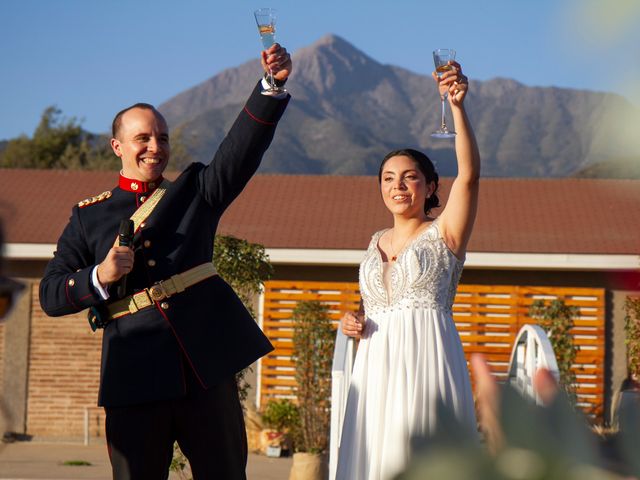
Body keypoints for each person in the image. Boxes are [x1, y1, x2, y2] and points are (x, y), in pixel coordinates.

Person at [39, 44, 292, 479]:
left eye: (162, 137)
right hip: (133, 376)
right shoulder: (89, 215)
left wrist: (269, 88)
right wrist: (99, 276)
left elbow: (240, 150)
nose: (155, 147)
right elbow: (50, 294)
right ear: (117, 146)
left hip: (205, 369)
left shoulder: (195, 192)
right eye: (143, 138)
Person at [336, 60, 480, 480]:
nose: (398, 186)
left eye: (410, 177)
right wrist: (353, 323)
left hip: (427, 363)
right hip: (375, 369)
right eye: (388, 178)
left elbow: (469, 176)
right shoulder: (373, 242)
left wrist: (457, 108)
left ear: (431, 187)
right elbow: (374, 309)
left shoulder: (445, 234)